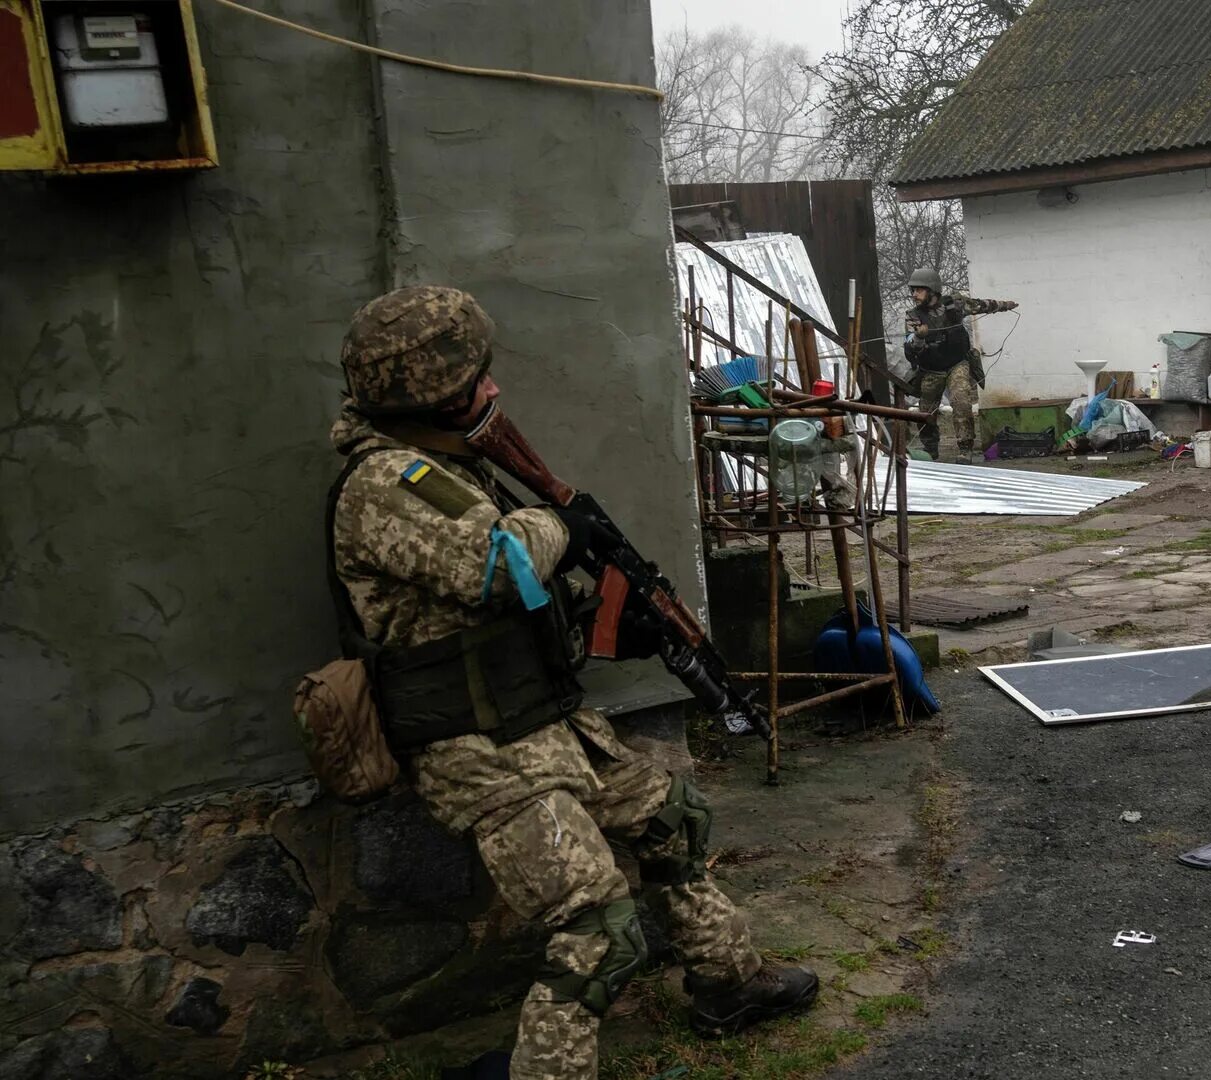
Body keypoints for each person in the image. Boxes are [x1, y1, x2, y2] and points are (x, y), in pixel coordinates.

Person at [327, 286, 815, 1080]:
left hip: (537, 721)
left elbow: (514, 598)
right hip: (475, 746)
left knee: (671, 818)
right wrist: (566, 524)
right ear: (427, 396)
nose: (491, 390)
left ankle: (728, 981)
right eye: (473, 382)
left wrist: (606, 604)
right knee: (598, 926)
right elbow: (496, 566)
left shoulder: (453, 467)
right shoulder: (387, 482)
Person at [902, 267, 1017, 461]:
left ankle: (965, 449)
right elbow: (911, 348)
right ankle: (930, 449)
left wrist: (1006, 305)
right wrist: (919, 338)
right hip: (931, 369)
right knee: (925, 412)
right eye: (913, 290)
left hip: (957, 364)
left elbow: (982, 305)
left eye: (919, 290)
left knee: (961, 401)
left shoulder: (954, 305)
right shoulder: (913, 316)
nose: (914, 295)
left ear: (932, 290)